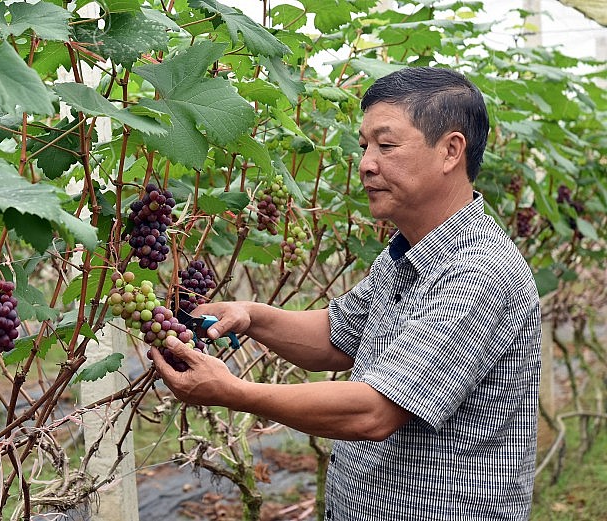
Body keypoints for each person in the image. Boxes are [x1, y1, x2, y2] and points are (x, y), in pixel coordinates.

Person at [150, 66, 542, 520]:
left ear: (451, 150)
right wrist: (252, 316)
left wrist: (232, 391)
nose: (365, 163)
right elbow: (339, 335)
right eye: (364, 146)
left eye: (386, 144)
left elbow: (374, 412)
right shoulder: (406, 254)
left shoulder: (481, 271)